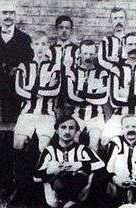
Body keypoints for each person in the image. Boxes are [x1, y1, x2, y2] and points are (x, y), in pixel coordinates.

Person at [10, 30, 61, 205]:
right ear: (32, 46)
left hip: (47, 115)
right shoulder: (24, 65)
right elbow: (19, 90)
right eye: (37, 44)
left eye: (44, 44)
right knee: (18, 144)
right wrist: (40, 91)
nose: (40, 48)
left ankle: (41, 186)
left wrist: (32, 90)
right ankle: (20, 184)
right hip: (27, 113)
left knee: (43, 146)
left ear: (48, 46)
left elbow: (55, 90)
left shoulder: (55, 67)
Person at [36, 116, 105, 208]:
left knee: (80, 176)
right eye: (63, 127)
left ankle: (70, 203)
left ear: (76, 131)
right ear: (57, 130)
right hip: (55, 191)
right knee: (53, 166)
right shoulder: (49, 150)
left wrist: (79, 165)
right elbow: (36, 176)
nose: (67, 132)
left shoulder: (83, 149)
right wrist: (52, 171)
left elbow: (101, 169)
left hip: (79, 190)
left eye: (71, 128)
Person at [65, 39, 109, 152]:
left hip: (95, 117)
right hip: (77, 116)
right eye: (85, 53)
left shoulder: (102, 73)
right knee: (72, 141)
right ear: (79, 53)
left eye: (91, 54)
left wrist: (80, 94)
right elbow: (70, 97)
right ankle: (74, 168)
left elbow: (103, 97)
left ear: (95, 54)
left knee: (94, 143)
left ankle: (91, 169)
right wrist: (92, 96)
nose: (88, 57)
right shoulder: (73, 72)